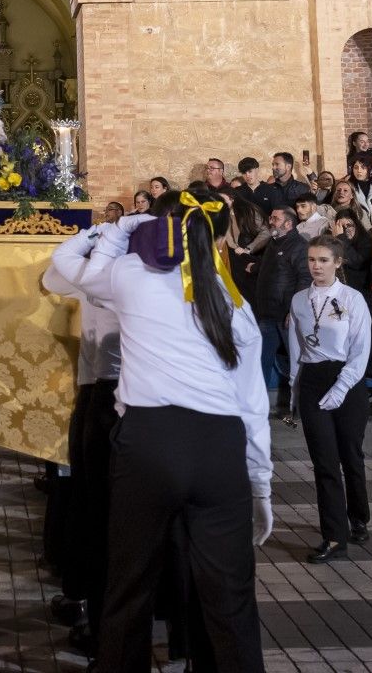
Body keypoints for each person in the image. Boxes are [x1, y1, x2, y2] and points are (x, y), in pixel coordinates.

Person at [74, 189, 272, 672]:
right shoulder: (236, 306)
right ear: (225, 236)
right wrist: (261, 484)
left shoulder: (130, 276)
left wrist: (118, 231)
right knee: (230, 597)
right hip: (218, 448)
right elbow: (252, 404)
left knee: (129, 587)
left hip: (149, 442)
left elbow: (68, 274)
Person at [45, 222, 125, 653]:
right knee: (96, 502)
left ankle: (95, 613)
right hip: (113, 396)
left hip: (106, 395)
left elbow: (54, 272)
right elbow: (53, 277)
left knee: (94, 503)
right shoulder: (126, 276)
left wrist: (91, 236)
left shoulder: (105, 278)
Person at [288, 235, 371, 564]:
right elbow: (297, 346)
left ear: (338, 262)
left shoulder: (352, 299)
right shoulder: (298, 301)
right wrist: (295, 387)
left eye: (323, 260)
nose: (316, 266)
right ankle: (334, 537)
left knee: (350, 453)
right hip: (312, 379)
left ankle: (359, 517)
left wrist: (341, 387)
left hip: (347, 381)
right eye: (311, 260)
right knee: (324, 461)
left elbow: (360, 350)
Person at [252, 205, 310, 417]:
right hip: (268, 315)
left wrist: (293, 311)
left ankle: (304, 410)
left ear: (288, 223)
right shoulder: (273, 243)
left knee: (298, 364)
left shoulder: (299, 246)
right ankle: (257, 408)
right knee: (260, 362)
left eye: (275, 218)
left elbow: (305, 279)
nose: (270, 221)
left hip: (286, 317)